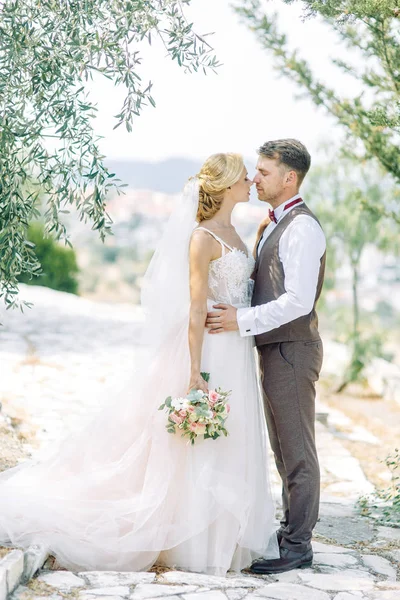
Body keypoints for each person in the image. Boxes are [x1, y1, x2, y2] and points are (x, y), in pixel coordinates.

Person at [0, 153, 278, 576]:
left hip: (236, 348)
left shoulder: (236, 232)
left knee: (230, 436)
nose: (250, 183)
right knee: (196, 443)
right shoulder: (202, 237)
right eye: (243, 178)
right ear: (223, 187)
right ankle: (190, 539)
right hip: (210, 351)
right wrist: (193, 370)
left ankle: (222, 538)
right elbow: (195, 306)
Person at [206, 139, 326, 574]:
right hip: (275, 348)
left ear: (289, 177)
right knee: (282, 446)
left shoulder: (302, 228)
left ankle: (298, 545)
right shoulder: (275, 223)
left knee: (296, 450)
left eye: (264, 172)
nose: (255, 178)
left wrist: (241, 319)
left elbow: (298, 301)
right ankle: (290, 529)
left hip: (293, 349)